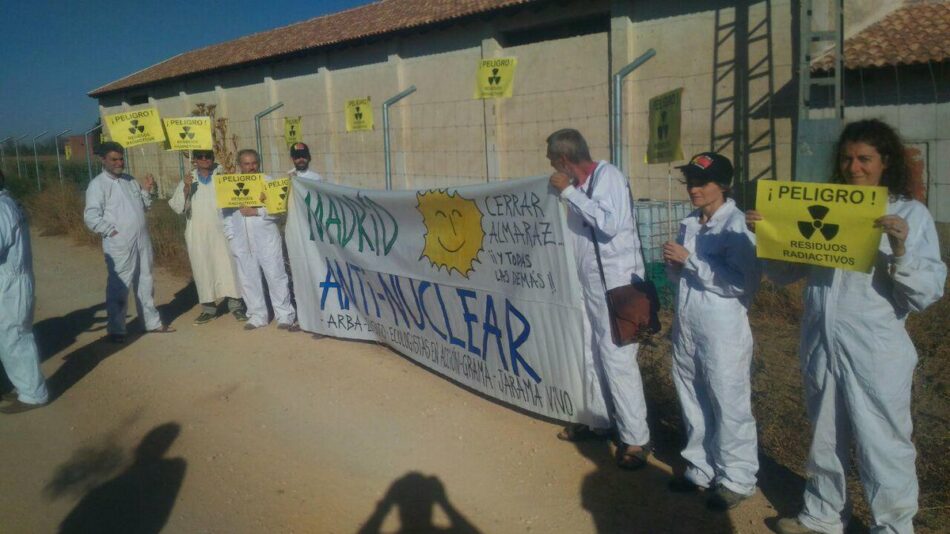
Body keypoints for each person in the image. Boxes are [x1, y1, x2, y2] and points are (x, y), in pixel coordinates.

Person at [747, 119, 946, 534]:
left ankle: (892, 526)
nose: (855, 167)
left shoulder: (909, 214)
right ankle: (823, 516)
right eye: (847, 158)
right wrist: (767, 234)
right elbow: (787, 273)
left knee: (883, 441)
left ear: (885, 162)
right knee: (824, 433)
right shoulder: (827, 208)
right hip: (821, 340)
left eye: (865, 159)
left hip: (876, 345)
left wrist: (901, 249)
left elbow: (925, 294)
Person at [546, 128, 652, 469]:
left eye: (552, 161)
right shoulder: (577, 187)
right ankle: (600, 421)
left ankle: (636, 439)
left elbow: (610, 224)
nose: (551, 168)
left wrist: (569, 195)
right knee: (591, 354)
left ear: (563, 159)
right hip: (589, 287)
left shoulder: (608, 178)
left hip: (617, 288)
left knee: (618, 361)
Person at [662, 152, 759, 510]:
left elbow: (741, 283)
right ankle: (701, 466)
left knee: (728, 399)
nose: (693, 189)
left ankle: (737, 476)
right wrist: (675, 265)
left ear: (723, 185)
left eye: (701, 182)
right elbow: (682, 276)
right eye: (690, 182)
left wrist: (692, 261)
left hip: (722, 327)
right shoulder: (690, 221)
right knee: (691, 394)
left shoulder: (736, 226)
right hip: (688, 320)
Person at [83, 142, 173, 342]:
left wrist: (147, 190)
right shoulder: (98, 185)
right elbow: (91, 217)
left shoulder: (129, 180)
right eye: (114, 159)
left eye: (121, 159)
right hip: (120, 243)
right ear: (103, 160)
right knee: (119, 284)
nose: (119, 163)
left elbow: (144, 206)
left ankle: (151, 322)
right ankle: (116, 329)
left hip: (142, 240)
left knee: (146, 280)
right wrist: (112, 232)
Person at [168, 149, 246, 325]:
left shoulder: (222, 177)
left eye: (208, 156)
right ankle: (209, 309)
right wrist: (187, 189)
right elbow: (177, 207)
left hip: (222, 231)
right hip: (198, 233)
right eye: (200, 157)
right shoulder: (189, 179)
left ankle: (236, 305)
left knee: (229, 268)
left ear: (212, 158)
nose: (204, 160)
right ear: (194, 159)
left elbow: (235, 199)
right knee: (202, 268)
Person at [224, 149, 296, 330]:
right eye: (246, 164)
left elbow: (279, 211)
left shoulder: (268, 182)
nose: (251, 167)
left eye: (254, 163)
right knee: (248, 279)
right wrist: (231, 237)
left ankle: (284, 315)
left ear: (259, 163)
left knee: (276, 276)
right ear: (240, 165)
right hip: (242, 241)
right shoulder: (231, 185)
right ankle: (257, 315)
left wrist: (257, 211)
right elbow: (225, 214)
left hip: (266, 239)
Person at [0, 170, 49, 414]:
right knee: (13, 337)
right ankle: (23, 386)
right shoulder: (9, 203)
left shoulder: (1, 208)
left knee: (15, 338)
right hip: (13, 280)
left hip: (9, 284)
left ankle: (32, 393)